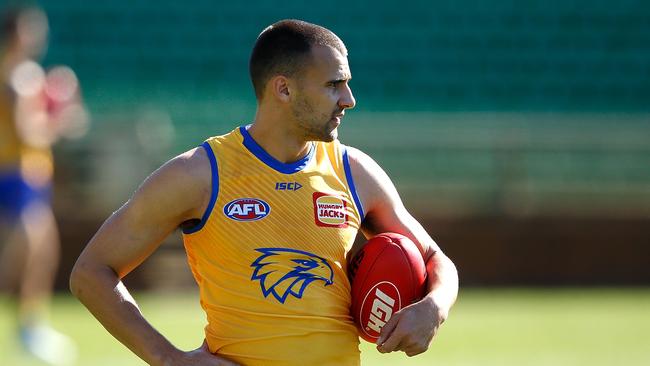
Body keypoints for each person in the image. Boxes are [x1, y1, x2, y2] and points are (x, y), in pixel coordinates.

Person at [70, 19, 458, 365]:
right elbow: (91, 273)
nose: (349, 99)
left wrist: (434, 306)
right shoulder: (200, 174)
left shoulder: (355, 171)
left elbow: (435, 258)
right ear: (284, 90)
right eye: (334, 85)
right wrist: (168, 358)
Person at [0, 5, 84, 366]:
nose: (39, 35)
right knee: (20, 257)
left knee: (42, 252)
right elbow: (28, 133)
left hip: (32, 176)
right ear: (18, 32)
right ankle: (28, 329)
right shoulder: (17, 76)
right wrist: (60, 118)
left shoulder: (28, 75)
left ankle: (31, 328)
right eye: (32, 28)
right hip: (15, 176)